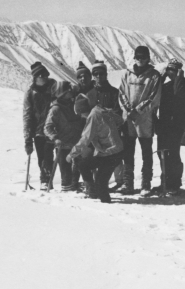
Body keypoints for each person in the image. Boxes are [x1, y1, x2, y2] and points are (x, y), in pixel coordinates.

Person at [118, 45, 162, 195]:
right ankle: (127, 182)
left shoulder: (154, 76)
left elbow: (154, 97)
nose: (140, 60)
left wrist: (138, 110)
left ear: (148, 59)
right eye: (138, 57)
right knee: (128, 152)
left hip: (144, 119)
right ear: (134, 58)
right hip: (129, 118)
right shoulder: (127, 75)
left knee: (146, 152)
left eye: (143, 57)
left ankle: (146, 183)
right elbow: (121, 93)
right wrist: (128, 109)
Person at [68, 95, 124, 203]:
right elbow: (120, 120)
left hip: (111, 153)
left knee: (101, 184)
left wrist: (71, 154)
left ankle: (106, 207)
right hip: (108, 152)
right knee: (84, 165)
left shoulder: (93, 116)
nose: (82, 117)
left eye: (81, 113)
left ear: (83, 110)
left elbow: (85, 138)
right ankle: (92, 191)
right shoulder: (101, 110)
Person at [153, 58, 185, 195]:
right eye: (169, 70)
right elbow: (155, 90)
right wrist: (162, 77)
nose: (171, 73)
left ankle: (174, 183)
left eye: (174, 70)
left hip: (176, 125)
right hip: (164, 124)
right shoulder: (165, 86)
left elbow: (178, 96)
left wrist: (179, 78)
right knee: (162, 153)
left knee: (173, 155)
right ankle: (165, 182)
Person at [87, 60, 124, 190]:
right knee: (96, 156)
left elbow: (118, 112)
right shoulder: (90, 94)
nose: (98, 76)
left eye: (101, 73)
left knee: (114, 156)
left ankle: (119, 182)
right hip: (95, 133)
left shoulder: (114, 92)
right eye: (96, 74)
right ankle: (99, 184)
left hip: (111, 131)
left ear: (106, 74)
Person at [44, 81, 85, 191]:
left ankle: (73, 186)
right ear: (62, 93)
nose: (71, 92)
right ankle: (67, 187)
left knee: (78, 167)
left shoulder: (72, 104)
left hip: (76, 142)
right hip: (63, 144)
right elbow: (48, 127)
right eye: (68, 91)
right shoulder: (55, 109)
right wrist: (55, 138)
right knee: (66, 171)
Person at [23, 62, 57, 190]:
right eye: (39, 75)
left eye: (44, 74)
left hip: (53, 127)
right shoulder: (30, 93)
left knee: (48, 154)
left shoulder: (54, 87)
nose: (42, 77)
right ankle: (46, 180)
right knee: (42, 156)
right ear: (35, 77)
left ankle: (46, 180)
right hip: (38, 129)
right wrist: (27, 138)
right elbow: (27, 115)